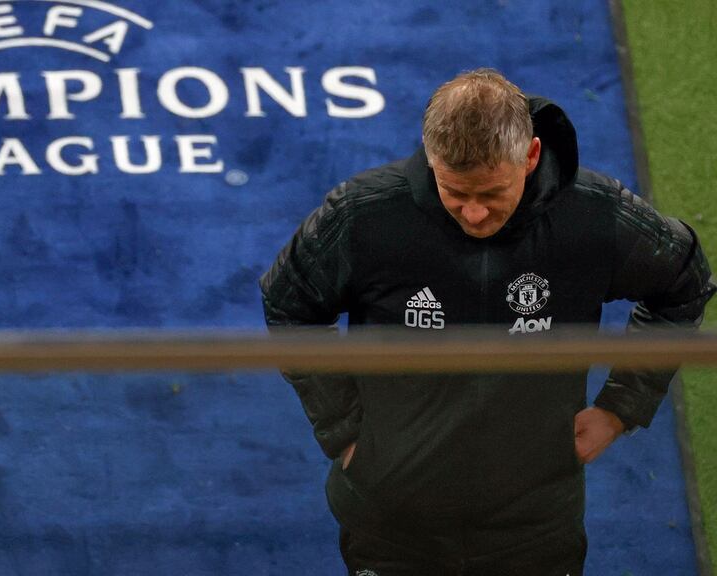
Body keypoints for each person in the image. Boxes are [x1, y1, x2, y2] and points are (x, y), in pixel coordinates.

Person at [258, 69, 715, 576]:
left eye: (492, 193)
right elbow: (288, 303)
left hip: (534, 529)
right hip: (390, 526)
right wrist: (345, 432)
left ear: (532, 156)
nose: (473, 214)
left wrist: (622, 406)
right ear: (432, 160)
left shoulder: (594, 216)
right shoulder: (363, 215)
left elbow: (685, 282)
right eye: (455, 191)